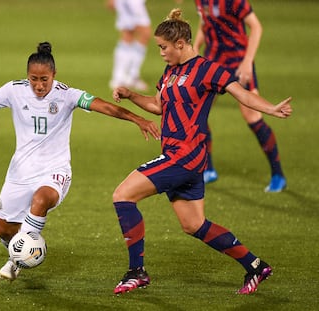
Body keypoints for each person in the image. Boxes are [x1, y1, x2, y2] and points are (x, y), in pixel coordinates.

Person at [0, 41, 160, 281]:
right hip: (20, 172)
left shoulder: (67, 95)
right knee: (5, 231)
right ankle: (17, 252)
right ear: (27, 76)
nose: (38, 85)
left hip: (55, 170)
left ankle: (17, 260)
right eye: (33, 79)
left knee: (41, 199)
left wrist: (137, 119)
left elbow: (104, 107)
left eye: (44, 79)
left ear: (54, 75)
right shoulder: (13, 90)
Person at [110, 9, 292, 295]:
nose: (161, 53)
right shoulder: (170, 72)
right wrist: (132, 95)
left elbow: (241, 93)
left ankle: (136, 272)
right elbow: (159, 106)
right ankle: (254, 265)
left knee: (122, 195)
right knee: (194, 225)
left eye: (163, 47)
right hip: (184, 160)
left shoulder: (208, 69)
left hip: (183, 157)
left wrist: (270, 108)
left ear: (180, 44)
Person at [193, 0, 286, 192]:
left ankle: (278, 174)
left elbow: (256, 27)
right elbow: (205, 23)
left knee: (252, 116)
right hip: (212, 63)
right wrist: (195, 48)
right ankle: (207, 168)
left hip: (238, 62)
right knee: (198, 111)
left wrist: (248, 61)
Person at [106, 0, 151, 91]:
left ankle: (122, 77)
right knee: (144, 33)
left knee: (128, 36)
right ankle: (126, 77)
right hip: (131, 3)